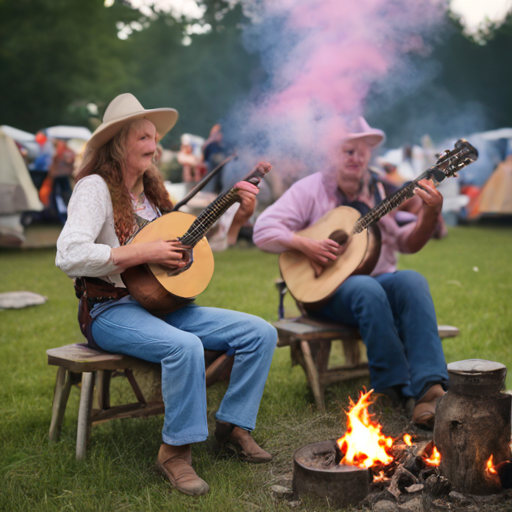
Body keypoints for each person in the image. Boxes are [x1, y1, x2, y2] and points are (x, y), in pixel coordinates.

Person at [56, 93, 277, 496]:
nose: (153, 146)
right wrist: (146, 251)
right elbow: (68, 255)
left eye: (154, 138)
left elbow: (202, 251)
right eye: (143, 137)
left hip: (161, 305)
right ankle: (174, 453)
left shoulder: (155, 197)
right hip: (109, 310)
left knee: (260, 332)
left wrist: (237, 217)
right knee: (184, 347)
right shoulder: (94, 188)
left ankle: (232, 426)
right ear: (118, 142)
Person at [253, 117, 449, 430]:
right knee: (364, 289)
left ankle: (429, 390)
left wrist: (430, 214)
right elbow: (263, 229)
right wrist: (306, 245)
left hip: (378, 283)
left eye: (361, 151)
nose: (355, 157)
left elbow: (408, 243)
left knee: (412, 280)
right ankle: (391, 388)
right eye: (346, 150)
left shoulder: (381, 190)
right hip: (324, 292)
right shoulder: (311, 188)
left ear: (369, 155)